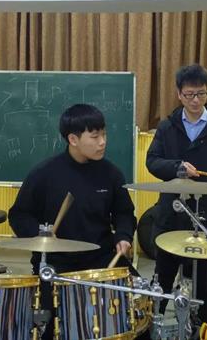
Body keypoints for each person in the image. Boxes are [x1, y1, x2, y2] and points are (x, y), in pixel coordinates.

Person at [9, 103, 137, 339]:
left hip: (101, 259)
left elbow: (124, 213)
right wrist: (40, 233)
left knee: (134, 312)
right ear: (73, 139)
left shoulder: (111, 173)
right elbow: (19, 214)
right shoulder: (44, 174)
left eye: (104, 134)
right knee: (53, 328)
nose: (102, 142)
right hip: (58, 264)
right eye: (95, 136)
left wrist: (123, 236)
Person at [146, 63, 207, 326]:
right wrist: (176, 167)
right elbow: (152, 161)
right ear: (179, 94)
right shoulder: (168, 126)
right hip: (172, 215)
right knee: (162, 279)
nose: (196, 100)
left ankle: (201, 328)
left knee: (203, 286)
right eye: (189, 94)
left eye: (201, 94)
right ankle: (152, 326)